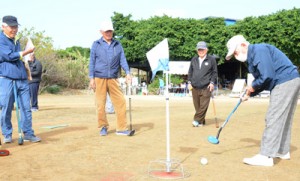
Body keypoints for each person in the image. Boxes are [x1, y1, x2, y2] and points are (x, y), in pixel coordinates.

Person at [225, 35, 300, 166]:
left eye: (235, 52)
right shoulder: (253, 57)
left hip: (284, 81)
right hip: (291, 79)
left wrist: (252, 87)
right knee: (284, 118)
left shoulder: (258, 50)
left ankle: (266, 156)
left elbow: (267, 76)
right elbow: (265, 80)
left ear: (243, 45)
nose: (236, 56)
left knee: (273, 117)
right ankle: (282, 151)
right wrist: (250, 93)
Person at [89, 20, 134, 136]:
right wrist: (91, 78)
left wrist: (128, 73)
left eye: (110, 31)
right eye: (107, 31)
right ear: (101, 32)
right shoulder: (96, 44)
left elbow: (122, 59)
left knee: (121, 102)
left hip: (114, 78)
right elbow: (92, 62)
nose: (109, 33)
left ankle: (122, 128)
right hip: (99, 78)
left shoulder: (117, 44)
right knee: (100, 104)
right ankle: (103, 126)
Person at [0, 15, 41, 143]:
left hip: (22, 78)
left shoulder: (16, 40)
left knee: (26, 107)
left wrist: (25, 58)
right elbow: (8, 56)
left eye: (16, 27)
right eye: (12, 27)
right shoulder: (1, 40)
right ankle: (7, 133)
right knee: (6, 107)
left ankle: (28, 132)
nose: (14, 30)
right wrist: (25, 52)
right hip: (7, 79)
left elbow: (17, 58)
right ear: (3, 27)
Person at [188, 41, 218, 127]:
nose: (200, 51)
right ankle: (201, 121)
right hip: (194, 87)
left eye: (202, 49)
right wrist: (189, 82)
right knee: (197, 106)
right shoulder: (194, 59)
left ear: (206, 50)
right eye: (199, 49)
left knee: (203, 106)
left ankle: (196, 120)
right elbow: (190, 72)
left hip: (206, 87)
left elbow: (214, 72)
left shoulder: (211, 59)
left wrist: (212, 83)